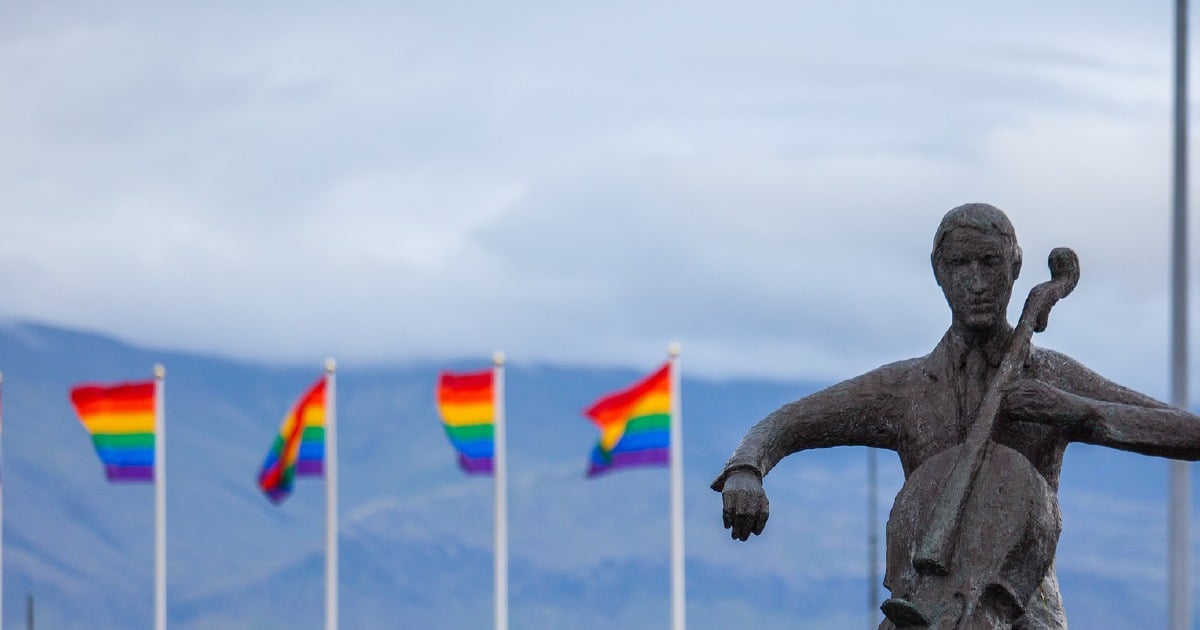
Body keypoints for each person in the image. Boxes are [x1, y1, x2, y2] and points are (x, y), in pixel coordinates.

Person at [712, 203, 1200, 628]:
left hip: (1020, 608)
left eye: (990, 263)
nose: (977, 283)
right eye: (960, 264)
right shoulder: (903, 390)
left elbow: (1190, 433)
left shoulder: (1051, 377)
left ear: (1015, 267)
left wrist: (1081, 412)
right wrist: (746, 469)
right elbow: (784, 424)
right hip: (920, 605)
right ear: (937, 271)